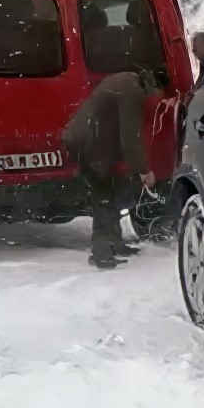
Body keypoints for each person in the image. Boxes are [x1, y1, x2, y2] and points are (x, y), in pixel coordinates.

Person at [61, 71, 158, 269]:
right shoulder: (132, 90)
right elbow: (130, 137)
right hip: (89, 143)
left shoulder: (123, 80)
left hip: (86, 138)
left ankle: (115, 243)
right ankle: (102, 252)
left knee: (115, 188)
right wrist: (144, 170)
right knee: (103, 196)